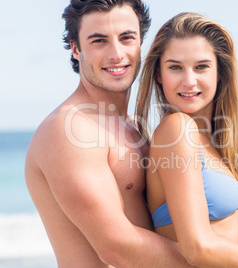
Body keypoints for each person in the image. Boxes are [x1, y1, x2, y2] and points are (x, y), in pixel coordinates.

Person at [25, 1, 193, 267]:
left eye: (126, 38)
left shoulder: (136, 127)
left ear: (141, 44)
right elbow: (116, 248)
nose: (116, 54)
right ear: (76, 49)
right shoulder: (70, 129)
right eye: (99, 41)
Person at [135, 12, 238, 267]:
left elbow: (234, 230)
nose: (189, 81)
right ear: (159, 74)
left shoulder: (216, 143)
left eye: (201, 66)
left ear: (220, 73)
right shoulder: (176, 129)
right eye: (175, 67)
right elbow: (198, 248)